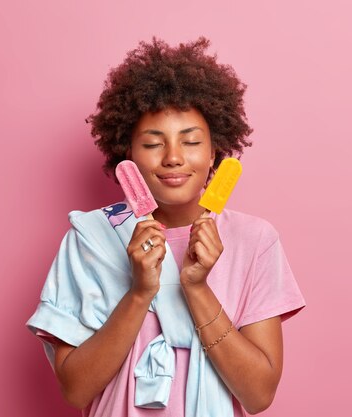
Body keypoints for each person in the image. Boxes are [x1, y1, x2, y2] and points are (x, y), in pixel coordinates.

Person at [26, 37, 306, 417]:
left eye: (190, 141)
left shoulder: (254, 241)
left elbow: (258, 395)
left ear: (214, 152)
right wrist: (140, 292)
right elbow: (75, 390)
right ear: (128, 154)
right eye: (153, 143)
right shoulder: (90, 237)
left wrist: (196, 287)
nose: (173, 158)